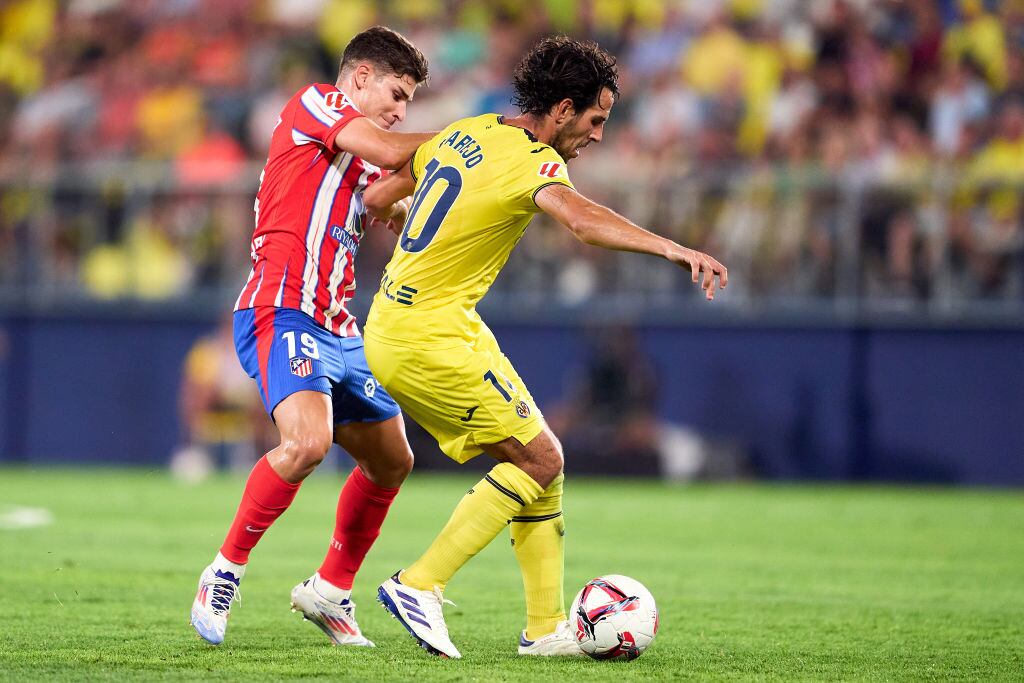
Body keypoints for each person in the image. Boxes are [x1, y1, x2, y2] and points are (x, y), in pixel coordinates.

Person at [361, 36, 727, 658]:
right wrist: (675, 248)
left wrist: (419, 238)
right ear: (561, 110)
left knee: (545, 464)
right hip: (430, 332)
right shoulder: (533, 159)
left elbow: (374, 198)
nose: (599, 136)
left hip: (408, 322)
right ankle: (419, 584)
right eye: (595, 120)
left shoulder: (466, 129)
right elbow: (583, 222)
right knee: (539, 461)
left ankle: (545, 627)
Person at [189, 26, 433, 648]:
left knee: (392, 458)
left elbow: (385, 188)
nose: (401, 109)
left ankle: (330, 591)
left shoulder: (354, 159)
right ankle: (224, 571)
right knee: (306, 443)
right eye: (397, 92)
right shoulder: (317, 103)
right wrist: (472, 139)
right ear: (358, 79)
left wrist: (406, 199)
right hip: (282, 308)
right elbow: (385, 150)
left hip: (338, 320)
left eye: (409, 101)